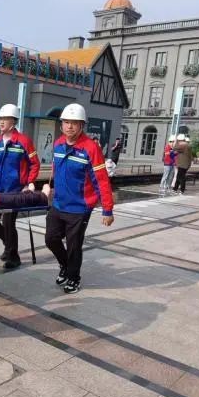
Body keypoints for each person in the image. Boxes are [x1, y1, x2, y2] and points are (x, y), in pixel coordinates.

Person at [46, 103, 114, 294]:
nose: (70, 126)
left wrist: (107, 209)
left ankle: (73, 278)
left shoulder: (91, 148)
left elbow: (101, 180)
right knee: (51, 239)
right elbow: (56, 170)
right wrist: (50, 187)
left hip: (80, 207)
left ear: (82, 125)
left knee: (74, 245)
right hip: (59, 204)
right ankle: (65, 265)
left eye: (74, 123)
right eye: (66, 122)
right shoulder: (58, 144)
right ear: (61, 124)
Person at [0, 104, 40, 269]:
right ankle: (9, 245)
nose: (1, 122)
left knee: (9, 222)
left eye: (5, 119)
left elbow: (35, 164)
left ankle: (13, 257)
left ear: (14, 121)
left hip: (16, 190)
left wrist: (29, 183)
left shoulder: (24, 141)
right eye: (0, 119)